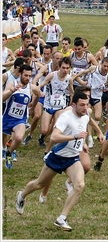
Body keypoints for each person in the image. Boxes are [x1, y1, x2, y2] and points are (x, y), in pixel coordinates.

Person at [15, 91, 90, 231]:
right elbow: (54, 137)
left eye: (86, 104)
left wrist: (83, 143)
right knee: (39, 184)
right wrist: (74, 137)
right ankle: (22, 195)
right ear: (73, 104)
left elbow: (81, 132)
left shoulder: (85, 117)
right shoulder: (65, 117)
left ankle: (61, 218)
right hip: (58, 157)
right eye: (82, 105)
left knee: (79, 185)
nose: (85, 108)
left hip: (73, 158)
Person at [3, 65, 40, 168]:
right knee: (3, 138)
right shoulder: (12, 84)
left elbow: (39, 94)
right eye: (25, 75)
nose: (28, 78)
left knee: (19, 138)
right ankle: (3, 148)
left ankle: (9, 153)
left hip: (20, 120)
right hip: (7, 117)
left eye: (29, 76)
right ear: (20, 74)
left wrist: (33, 106)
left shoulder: (31, 87)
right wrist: (12, 91)